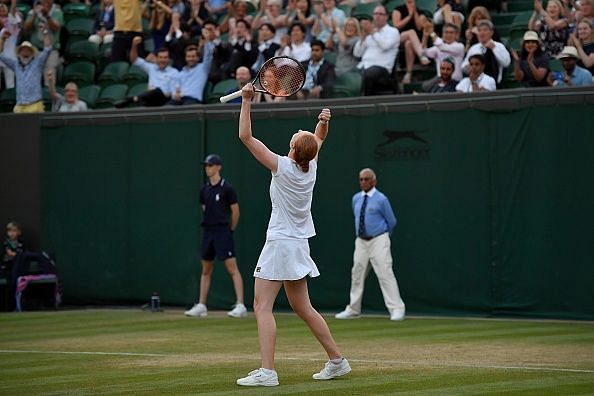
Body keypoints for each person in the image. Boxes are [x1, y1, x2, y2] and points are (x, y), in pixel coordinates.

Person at [235, 83, 350, 387]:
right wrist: (323, 122)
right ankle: (337, 361)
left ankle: (268, 372)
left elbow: (245, 137)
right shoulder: (310, 166)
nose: (300, 132)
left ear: (294, 148)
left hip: (281, 243)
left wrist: (247, 100)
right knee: (302, 307)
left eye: (301, 135)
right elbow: (319, 138)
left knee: (261, 306)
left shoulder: (283, 166)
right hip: (298, 244)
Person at [335, 168, 405, 321]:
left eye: (366, 179)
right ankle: (353, 309)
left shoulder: (381, 199)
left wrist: (383, 237)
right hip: (361, 241)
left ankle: (397, 309)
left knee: (385, 273)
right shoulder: (356, 198)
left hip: (379, 239)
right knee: (357, 274)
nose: (363, 182)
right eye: (361, 179)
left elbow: (391, 221)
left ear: (374, 181)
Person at [185, 154, 247, 318]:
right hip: (208, 232)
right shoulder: (204, 190)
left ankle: (240, 305)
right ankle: (201, 305)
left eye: (211, 165)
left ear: (218, 167)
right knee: (206, 269)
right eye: (206, 165)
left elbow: (236, 212)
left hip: (223, 232)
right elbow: (205, 208)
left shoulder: (227, 188)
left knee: (232, 268)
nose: (208, 168)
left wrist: (229, 230)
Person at [116, 37, 179, 107]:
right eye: (160, 57)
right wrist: (134, 45)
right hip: (150, 99)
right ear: (156, 58)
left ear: (168, 59)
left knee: (157, 91)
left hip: (164, 99)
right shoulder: (151, 68)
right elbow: (134, 60)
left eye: (165, 57)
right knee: (148, 97)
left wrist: (163, 93)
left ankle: (132, 99)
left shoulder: (174, 72)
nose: (163, 60)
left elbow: (174, 93)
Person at [0, 31, 52, 113]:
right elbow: (1, 55)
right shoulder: (15, 65)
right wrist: (2, 39)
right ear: (19, 54)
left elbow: (48, 50)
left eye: (28, 51)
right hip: (20, 106)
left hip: (35, 104)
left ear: (32, 53)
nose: (25, 53)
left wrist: (45, 33)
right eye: (23, 51)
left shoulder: (37, 63)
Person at [354, 5, 400, 95]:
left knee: (367, 75)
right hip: (363, 66)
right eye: (375, 14)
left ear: (386, 17)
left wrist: (373, 32)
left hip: (382, 68)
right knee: (347, 75)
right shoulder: (370, 33)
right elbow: (357, 54)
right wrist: (363, 37)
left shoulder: (393, 31)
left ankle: (364, 102)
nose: (377, 16)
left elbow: (385, 46)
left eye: (380, 14)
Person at [22, 0, 62, 86]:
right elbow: (26, 28)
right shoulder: (33, 12)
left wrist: (47, 15)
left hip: (51, 51)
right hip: (35, 50)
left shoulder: (57, 12)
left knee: (49, 80)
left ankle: (48, 97)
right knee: (33, 80)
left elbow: (56, 28)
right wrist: (34, 15)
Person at [391, 0, 431, 84]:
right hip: (398, 37)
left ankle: (408, 74)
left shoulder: (420, 12)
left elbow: (419, 27)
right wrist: (409, 16)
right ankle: (422, 55)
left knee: (408, 43)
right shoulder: (398, 9)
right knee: (411, 32)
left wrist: (414, 12)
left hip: (413, 41)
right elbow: (396, 26)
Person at [462, 20, 510, 86]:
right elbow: (464, 66)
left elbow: (506, 63)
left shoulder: (499, 46)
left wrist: (494, 49)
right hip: (475, 84)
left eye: (485, 30)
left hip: (494, 84)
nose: (482, 33)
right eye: (479, 30)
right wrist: (467, 67)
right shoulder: (474, 48)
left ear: (491, 32)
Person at [170, 39, 215, 105]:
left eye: (193, 56)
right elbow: (175, 86)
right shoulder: (182, 72)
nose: (191, 59)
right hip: (179, 100)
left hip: (193, 101)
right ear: (185, 58)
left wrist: (207, 40)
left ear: (198, 58)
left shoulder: (203, 68)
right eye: (188, 56)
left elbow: (209, 55)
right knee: (166, 108)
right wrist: (175, 94)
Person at [0, 0, 21, 90]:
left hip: (9, 59)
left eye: (3, 6)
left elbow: (13, 11)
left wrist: (14, 2)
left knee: (10, 87)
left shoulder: (11, 22)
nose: (1, 7)